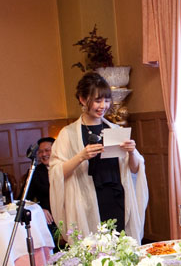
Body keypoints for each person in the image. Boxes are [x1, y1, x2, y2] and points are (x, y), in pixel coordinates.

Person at [49, 72, 148, 243]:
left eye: (107, 100)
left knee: (120, 246)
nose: (103, 105)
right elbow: (56, 172)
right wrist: (81, 156)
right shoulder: (68, 134)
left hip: (117, 198)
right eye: (97, 100)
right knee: (95, 249)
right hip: (87, 201)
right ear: (82, 99)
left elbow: (134, 169)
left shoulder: (115, 129)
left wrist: (132, 152)